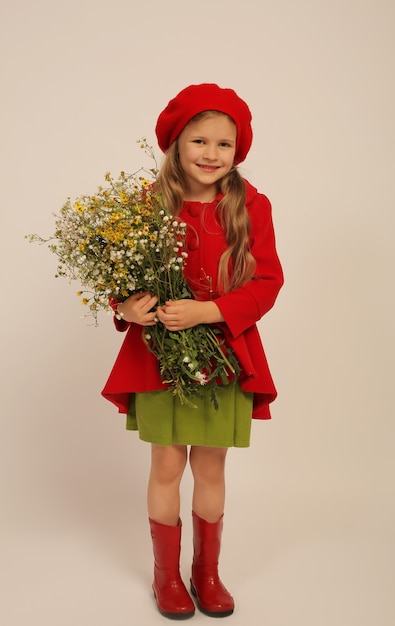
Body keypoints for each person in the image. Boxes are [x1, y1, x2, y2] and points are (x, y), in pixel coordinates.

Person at [101, 83, 284, 619]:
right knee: (165, 465)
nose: (210, 154)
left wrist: (209, 312)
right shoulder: (147, 204)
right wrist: (127, 308)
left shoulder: (251, 206)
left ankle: (206, 573)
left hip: (221, 354)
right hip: (161, 357)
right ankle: (167, 579)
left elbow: (268, 280)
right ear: (177, 145)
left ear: (238, 149)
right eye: (198, 141)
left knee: (210, 466)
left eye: (223, 144)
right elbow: (123, 279)